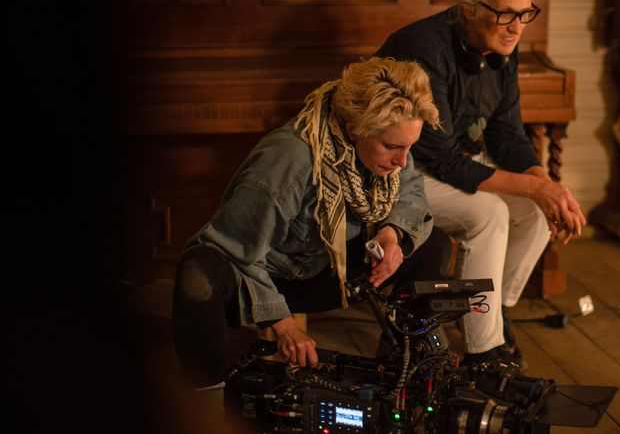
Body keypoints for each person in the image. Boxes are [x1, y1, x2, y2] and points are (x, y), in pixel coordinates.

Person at [171, 57, 450, 401]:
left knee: (432, 245)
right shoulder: (291, 159)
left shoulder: (391, 141)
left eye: (410, 147)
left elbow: (410, 191)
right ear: (354, 129)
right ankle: (205, 406)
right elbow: (233, 251)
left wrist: (392, 233)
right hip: (260, 280)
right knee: (198, 273)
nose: (402, 161)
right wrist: (284, 324)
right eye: (392, 147)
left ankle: (397, 378)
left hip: (323, 270)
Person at [376, 0, 586, 367]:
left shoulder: (503, 45)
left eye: (525, 14)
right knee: (490, 213)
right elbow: (443, 160)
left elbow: (507, 134)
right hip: (403, 172)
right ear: (470, 7)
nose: (517, 27)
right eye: (506, 14)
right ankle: (483, 352)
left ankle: (492, 313)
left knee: (534, 211)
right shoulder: (423, 48)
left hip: (454, 163)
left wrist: (546, 186)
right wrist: (536, 186)